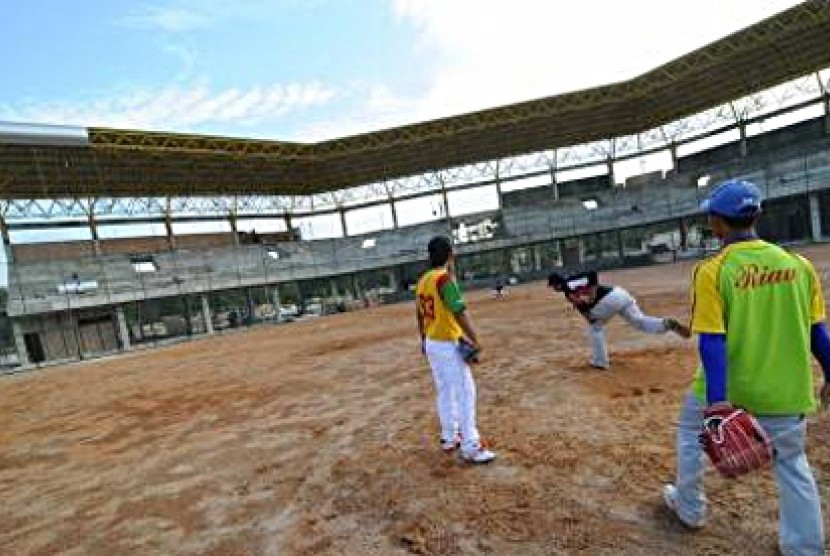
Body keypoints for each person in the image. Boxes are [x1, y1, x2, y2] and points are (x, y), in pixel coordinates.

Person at [663, 179, 829, 555]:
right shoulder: (798, 265)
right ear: (756, 216)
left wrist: (719, 404)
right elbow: (818, 331)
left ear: (718, 224)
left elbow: (712, 341)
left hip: (727, 389)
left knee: (691, 434)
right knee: (793, 464)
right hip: (786, 389)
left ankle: (689, 509)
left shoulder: (713, 270)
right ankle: (804, 548)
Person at [415, 235, 496, 464]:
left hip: (432, 341)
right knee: (465, 391)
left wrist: (423, 339)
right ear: (450, 254)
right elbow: (458, 311)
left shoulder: (424, 280)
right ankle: (471, 445)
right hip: (447, 343)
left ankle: (450, 437)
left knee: (445, 391)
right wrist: (475, 339)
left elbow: (420, 314)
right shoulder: (443, 280)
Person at [548, 270, 690, 369]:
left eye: (553, 286)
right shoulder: (569, 291)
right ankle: (666, 324)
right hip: (620, 294)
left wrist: (592, 294)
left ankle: (600, 362)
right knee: (640, 321)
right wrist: (590, 314)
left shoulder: (568, 284)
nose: (553, 289)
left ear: (556, 284)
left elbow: (591, 274)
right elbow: (584, 310)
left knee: (595, 328)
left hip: (608, 299)